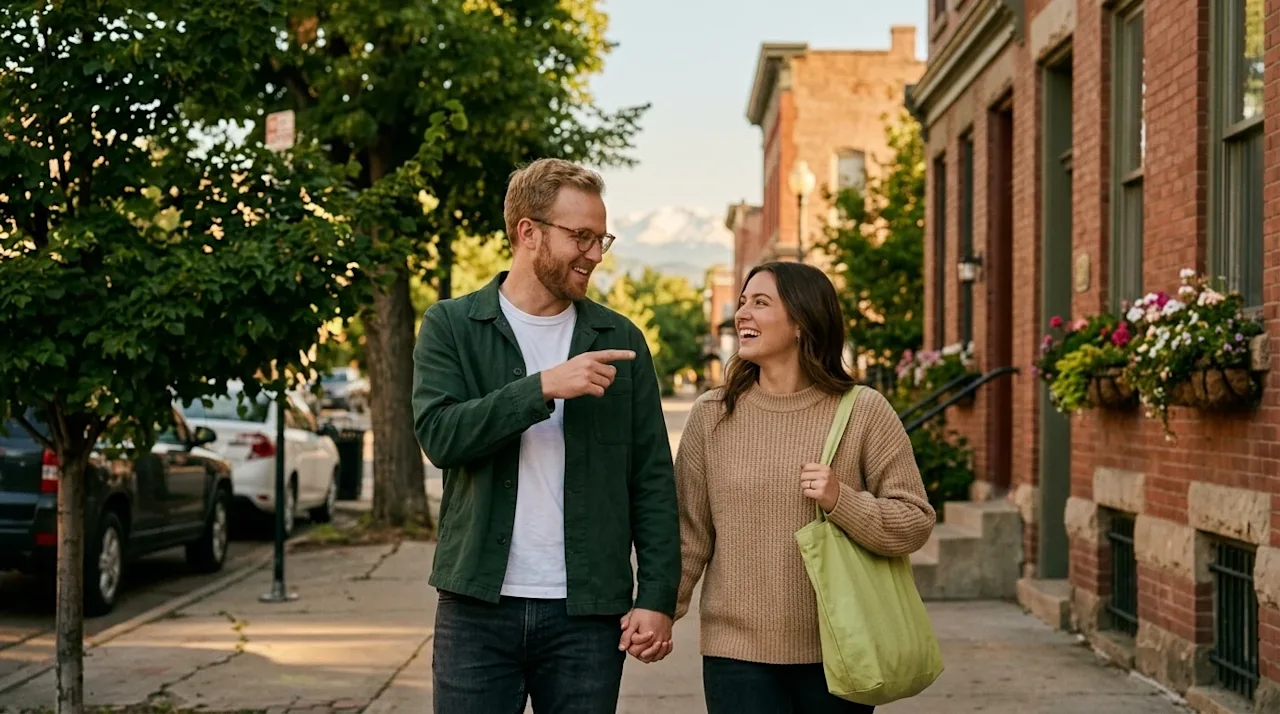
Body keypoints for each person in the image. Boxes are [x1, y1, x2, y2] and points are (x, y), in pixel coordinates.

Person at [411, 158, 679, 713]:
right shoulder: (452, 326)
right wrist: (541, 389)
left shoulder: (619, 338)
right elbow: (440, 436)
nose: (595, 254)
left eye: (600, 238)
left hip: (587, 614)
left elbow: (651, 478)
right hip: (477, 608)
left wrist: (657, 598)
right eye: (579, 236)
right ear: (527, 232)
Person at [658, 261, 935, 714]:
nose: (742, 313)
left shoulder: (863, 411)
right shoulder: (713, 415)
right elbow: (690, 534)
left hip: (839, 650)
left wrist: (841, 500)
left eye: (760, 303)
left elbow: (914, 522)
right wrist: (660, 611)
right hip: (735, 652)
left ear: (802, 323)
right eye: (743, 302)